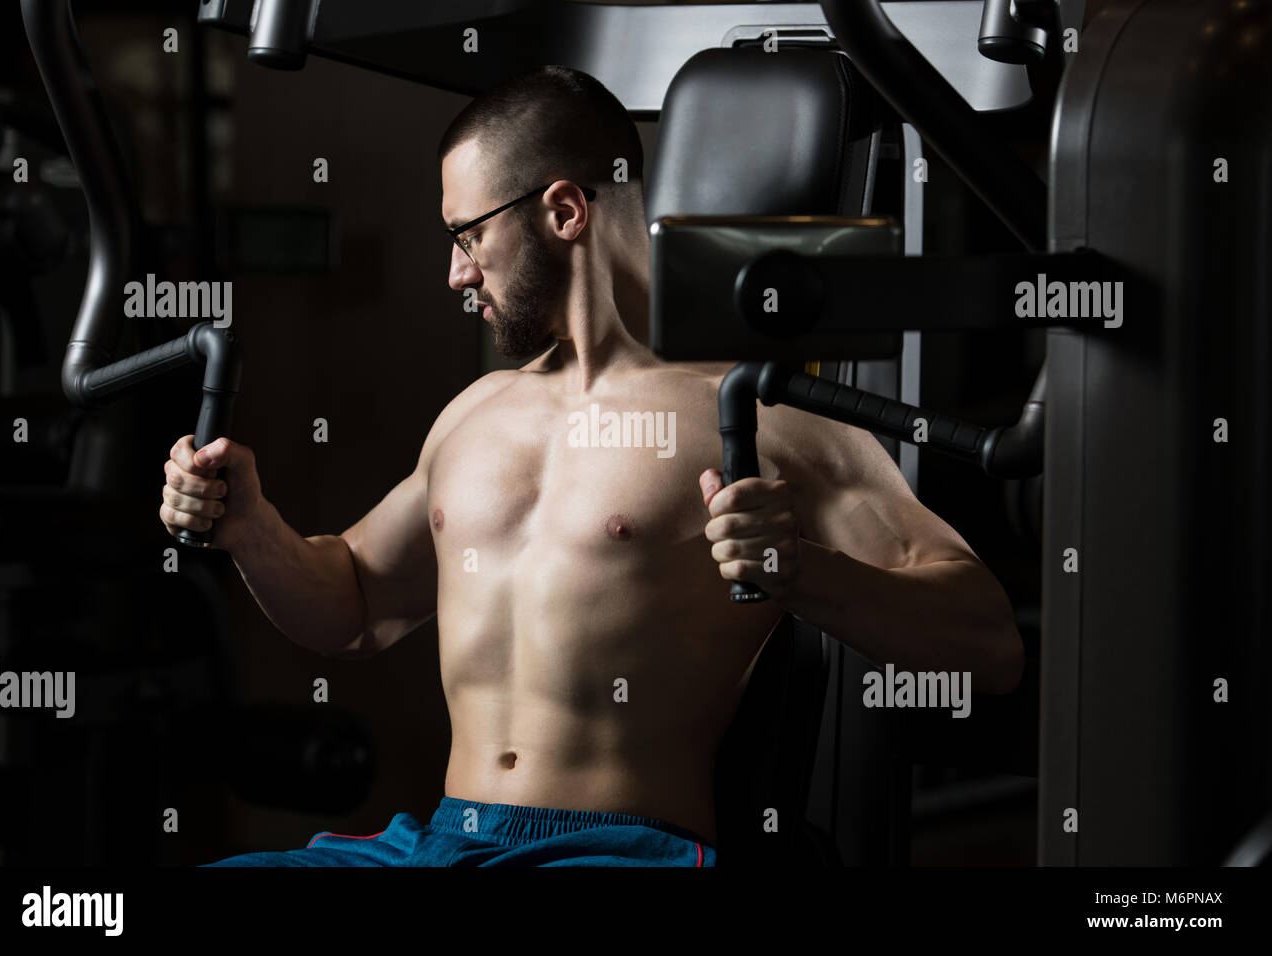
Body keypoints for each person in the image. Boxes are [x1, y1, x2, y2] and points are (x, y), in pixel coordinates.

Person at [164, 66, 1023, 867]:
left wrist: (805, 572)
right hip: (438, 843)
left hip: (614, 851)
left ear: (565, 211)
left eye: (467, 234)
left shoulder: (760, 414)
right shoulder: (474, 415)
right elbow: (352, 606)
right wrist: (252, 529)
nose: (455, 272)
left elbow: (988, 643)